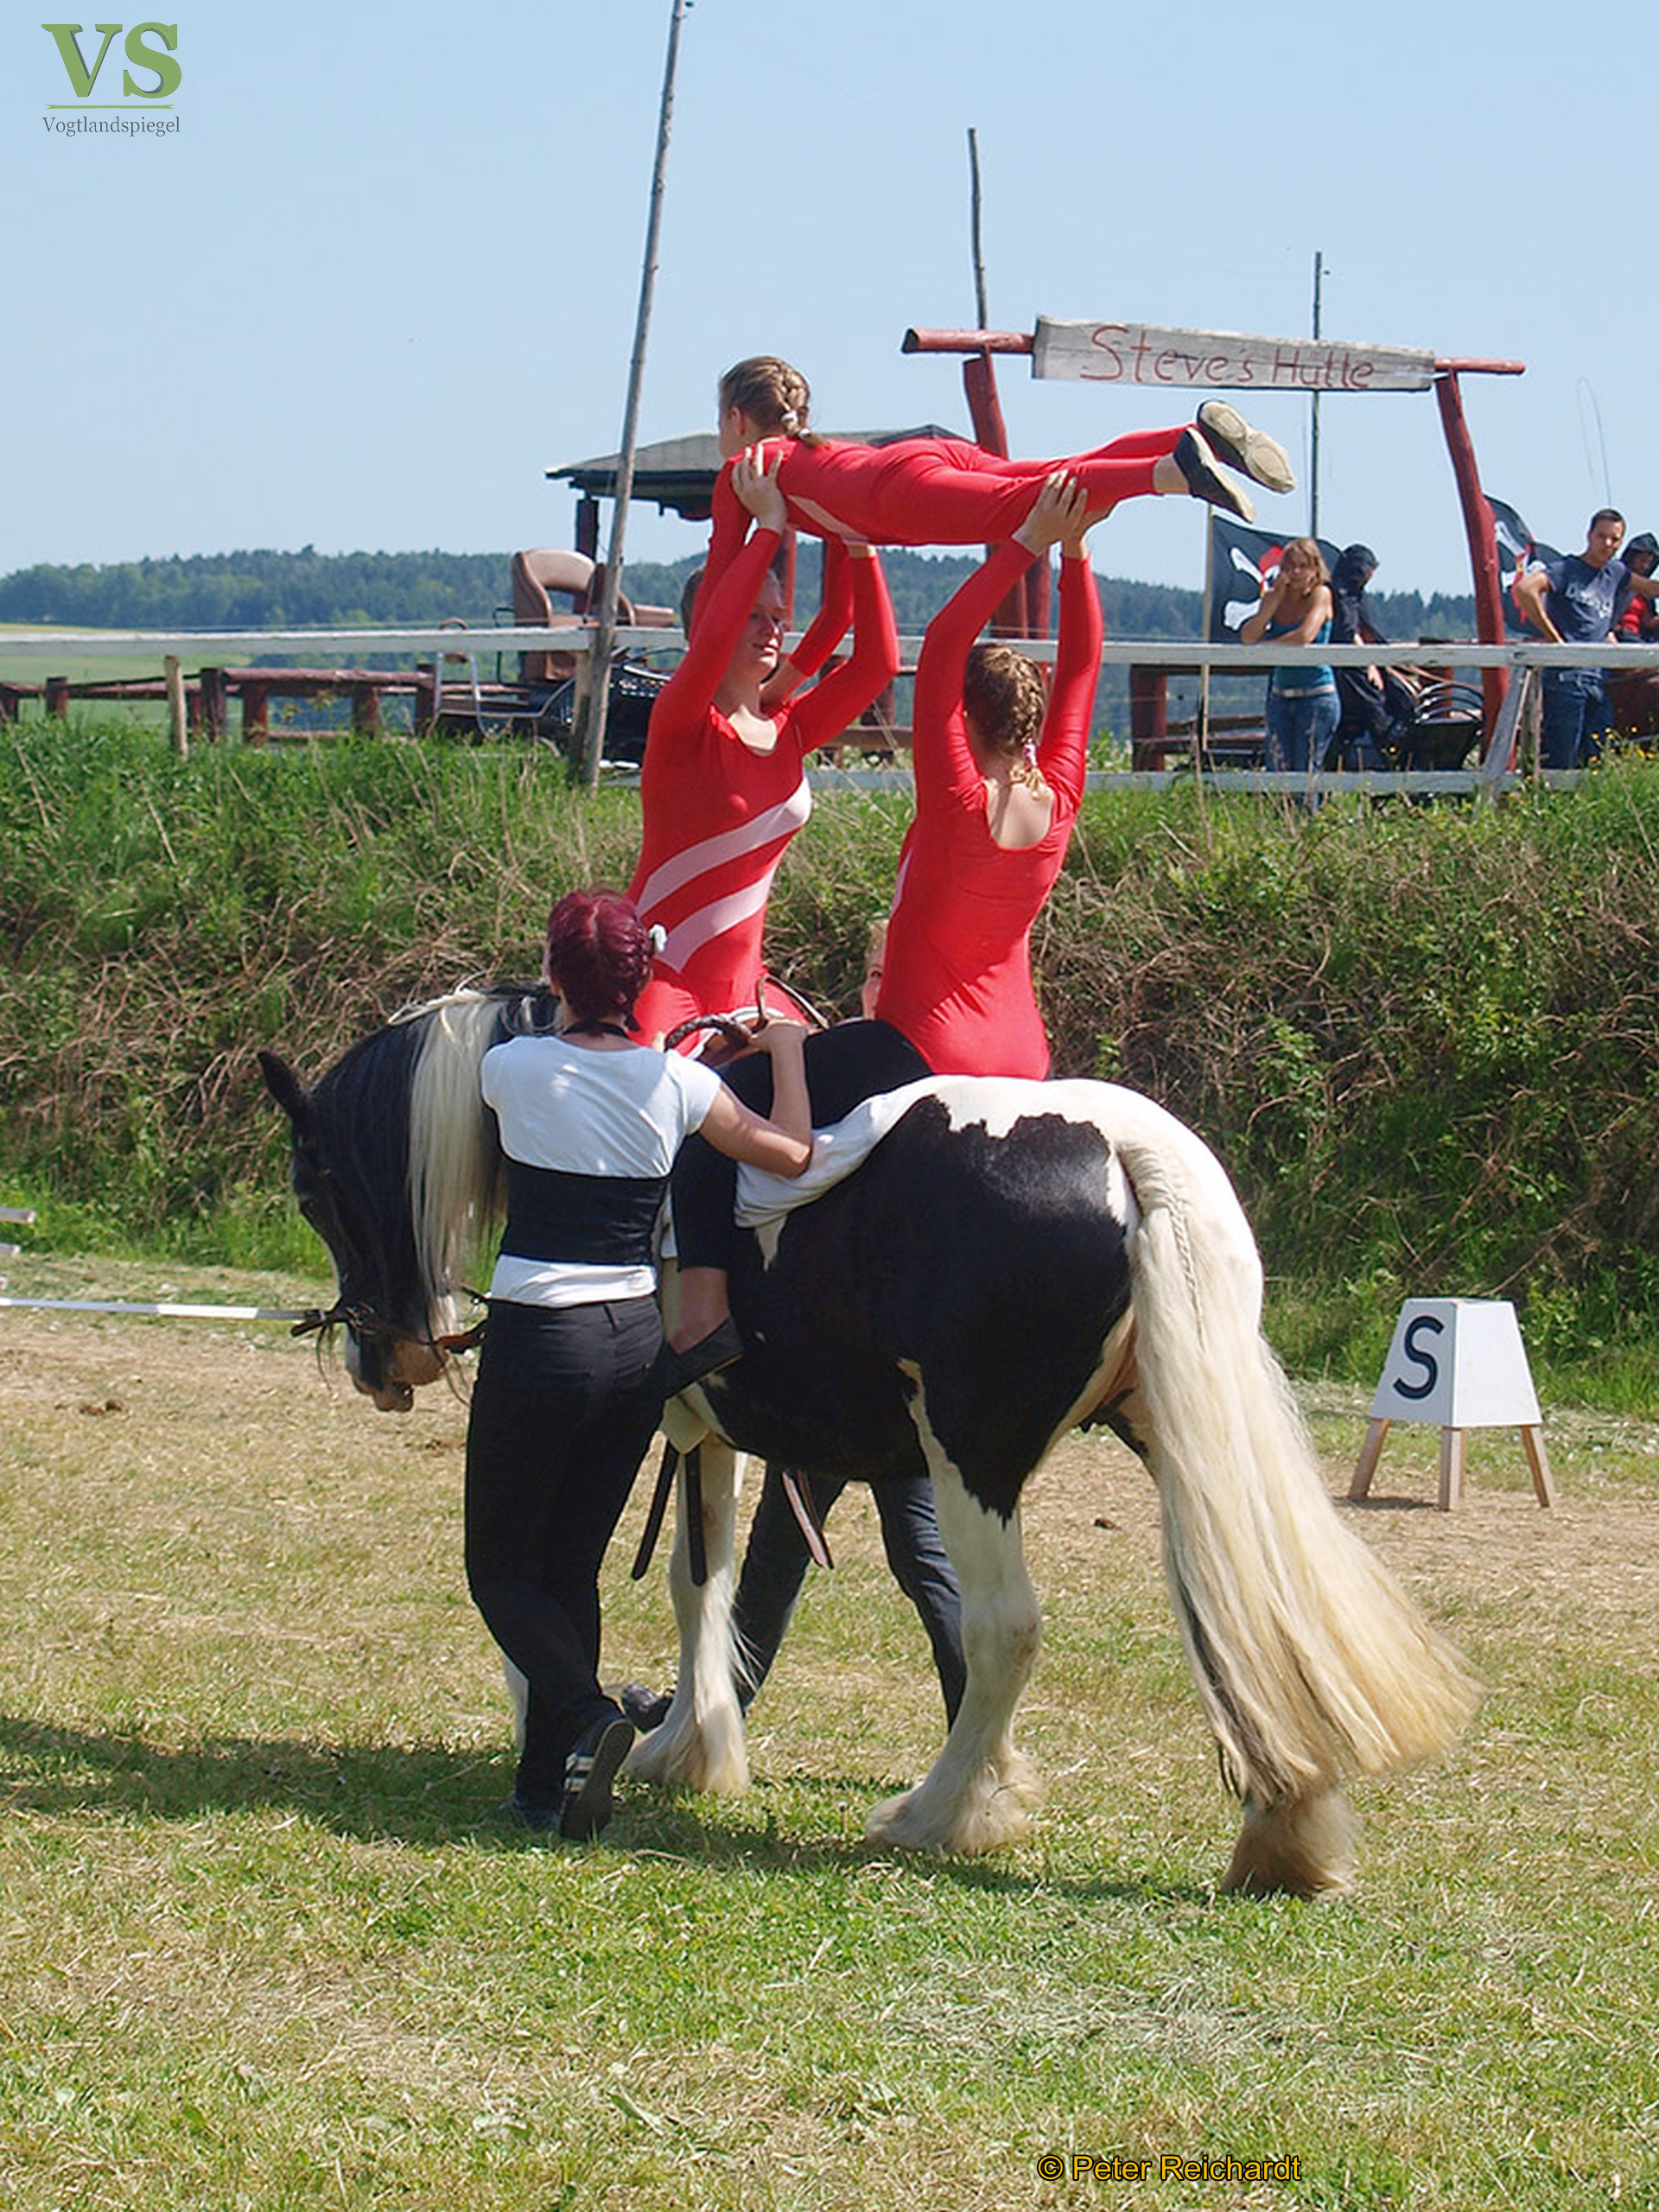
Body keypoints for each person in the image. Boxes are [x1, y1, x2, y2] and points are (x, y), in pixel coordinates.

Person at [465, 888, 814, 1840]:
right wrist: (781, 1047)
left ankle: (584, 1715)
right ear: (646, 976)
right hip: (633, 1343)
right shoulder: (680, 1084)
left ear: (552, 977)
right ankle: (551, 1789)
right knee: (568, 1567)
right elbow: (790, 1152)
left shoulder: (512, 1066)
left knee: (500, 1574)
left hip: (543, 1333)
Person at [626, 448, 899, 1052]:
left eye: (776, 616)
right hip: (659, 980)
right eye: (752, 615)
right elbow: (714, 636)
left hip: (750, 988)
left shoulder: (790, 728)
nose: (770, 628)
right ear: (712, 623)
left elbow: (878, 661)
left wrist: (860, 542)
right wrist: (767, 527)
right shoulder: (683, 719)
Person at [703, 355, 1294, 601]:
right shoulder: (818, 451)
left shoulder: (743, 470)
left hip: (898, 496)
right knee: (1047, 472)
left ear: (735, 418)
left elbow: (718, 590)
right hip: (924, 456)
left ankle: (1171, 471)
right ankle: (1187, 438)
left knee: (1029, 503)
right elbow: (840, 600)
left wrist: (768, 526)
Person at [874, 471, 1103, 1077]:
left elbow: (945, 640)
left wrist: (1029, 539)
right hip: (1022, 1052)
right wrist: (1074, 552)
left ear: (965, 712)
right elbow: (1081, 667)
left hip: (924, 1046)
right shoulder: (1061, 796)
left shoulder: (956, 798)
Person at [1515, 509, 1659, 768]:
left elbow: (1649, 588)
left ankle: (1576, 803)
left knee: (1597, 756)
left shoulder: (1615, 572)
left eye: (1614, 539)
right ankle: (1556, 802)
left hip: (1596, 676)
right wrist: (1553, 637)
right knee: (1565, 756)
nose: (1607, 544)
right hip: (1565, 675)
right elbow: (1526, 589)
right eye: (1602, 536)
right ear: (1589, 535)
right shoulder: (1567, 569)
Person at [1240, 537, 1338, 785]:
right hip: (1281, 695)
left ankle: (1306, 820)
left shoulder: (1321, 594)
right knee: (1277, 770)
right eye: (1290, 565)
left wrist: (1268, 648)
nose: (1295, 572)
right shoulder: (1274, 598)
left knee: (1305, 770)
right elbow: (1249, 636)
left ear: (1315, 569)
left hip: (1317, 695)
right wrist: (1271, 604)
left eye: (1302, 566)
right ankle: (1281, 823)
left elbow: (1305, 635)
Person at [1328, 543, 1420, 769]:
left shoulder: (1353, 595)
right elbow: (1347, 632)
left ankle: (1402, 752)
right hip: (1346, 668)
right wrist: (1369, 664)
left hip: (1361, 660)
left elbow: (1362, 630)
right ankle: (1389, 754)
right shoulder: (1340, 594)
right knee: (1375, 704)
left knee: (1404, 699)